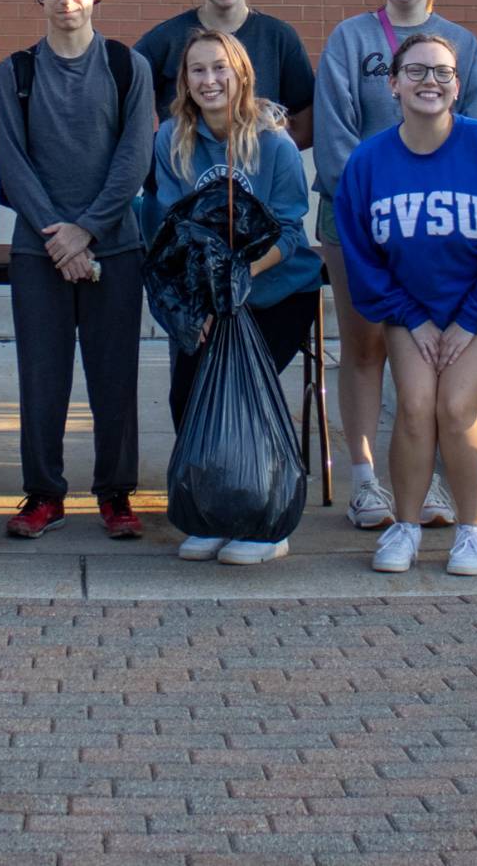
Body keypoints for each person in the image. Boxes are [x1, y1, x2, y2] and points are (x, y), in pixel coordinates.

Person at [333, 32, 477, 576]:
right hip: (411, 309)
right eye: (417, 71)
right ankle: (406, 526)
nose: (431, 81)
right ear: (393, 84)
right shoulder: (368, 162)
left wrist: (469, 320)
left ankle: (473, 531)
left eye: (443, 72)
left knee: (455, 407)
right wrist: (413, 318)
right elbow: (363, 257)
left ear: (458, 85)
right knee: (416, 405)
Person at [315, 0, 477, 534]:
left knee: (434, 351)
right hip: (356, 219)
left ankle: (427, 473)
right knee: (365, 347)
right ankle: (365, 478)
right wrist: (371, 205)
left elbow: (476, 134)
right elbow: (335, 134)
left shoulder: (463, 45)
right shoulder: (350, 38)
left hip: (439, 223)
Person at [0, 0, 155, 541]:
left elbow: (134, 158)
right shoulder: (15, 72)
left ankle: (116, 494)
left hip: (115, 248)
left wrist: (86, 230)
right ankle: (44, 495)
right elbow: (13, 164)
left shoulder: (126, 66)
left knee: (115, 378)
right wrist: (59, 239)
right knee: (43, 378)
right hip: (38, 252)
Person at [152, 30, 320, 566]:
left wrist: (239, 276)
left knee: (244, 391)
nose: (209, 80)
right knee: (188, 393)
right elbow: (175, 230)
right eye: (197, 70)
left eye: (219, 68)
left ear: (242, 74)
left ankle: (266, 522)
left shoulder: (274, 144)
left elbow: (289, 232)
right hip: (206, 293)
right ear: (184, 81)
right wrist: (203, 301)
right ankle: (213, 512)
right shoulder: (171, 140)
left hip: (275, 291)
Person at [134, 0, 316, 147]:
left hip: (254, 166)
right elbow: (123, 95)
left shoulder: (279, 37)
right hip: (182, 166)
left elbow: (305, 125)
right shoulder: (165, 39)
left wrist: (264, 156)